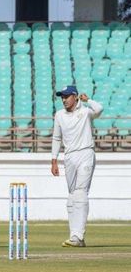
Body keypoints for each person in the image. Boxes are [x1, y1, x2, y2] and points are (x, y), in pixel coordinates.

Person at [50, 85, 103, 247]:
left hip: (86, 153)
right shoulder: (59, 115)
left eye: (67, 96)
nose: (64, 100)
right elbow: (56, 138)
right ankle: (74, 235)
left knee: (80, 192)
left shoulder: (85, 112)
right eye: (62, 97)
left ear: (75, 97)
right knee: (72, 195)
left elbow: (99, 109)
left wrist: (88, 100)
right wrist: (54, 160)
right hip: (69, 156)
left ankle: (79, 235)